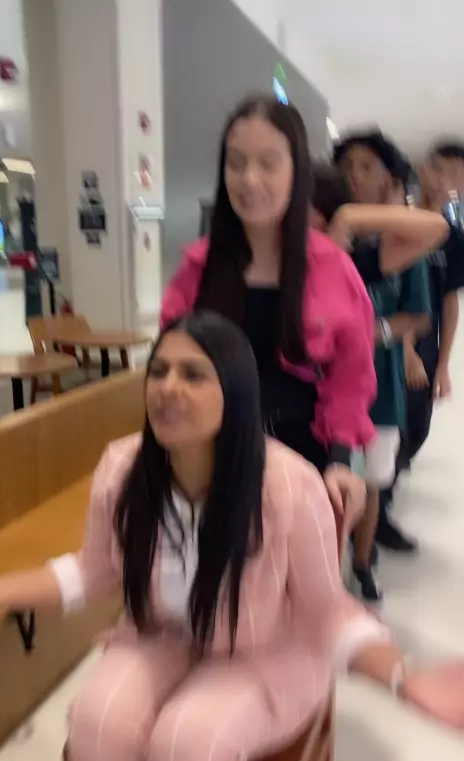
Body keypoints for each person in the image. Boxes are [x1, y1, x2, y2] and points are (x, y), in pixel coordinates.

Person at [0, 311, 462, 761]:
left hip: (265, 651)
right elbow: (93, 571)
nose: (168, 388)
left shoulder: (287, 485)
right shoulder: (123, 468)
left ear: (233, 392)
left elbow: (325, 610)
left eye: (193, 375)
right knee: (97, 724)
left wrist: (403, 676)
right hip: (162, 635)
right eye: (159, 371)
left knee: (188, 742)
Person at [161, 94, 377, 528]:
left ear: (297, 172)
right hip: (209, 461)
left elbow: (350, 379)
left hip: (302, 462)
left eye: (268, 163)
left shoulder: (333, 269)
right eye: (236, 163)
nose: (250, 179)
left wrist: (340, 461)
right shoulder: (197, 268)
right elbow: (170, 368)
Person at [333, 132, 448, 601]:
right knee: (329, 481)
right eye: (347, 167)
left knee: (374, 480)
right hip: (326, 393)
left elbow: (418, 315)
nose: (354, 176)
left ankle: (362, 563)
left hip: (380, 388)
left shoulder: (402, 246)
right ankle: (325, 570)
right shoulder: (327, 239)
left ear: (389, 180)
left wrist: (371, 333)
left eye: (366, 166)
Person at [377, 146, 464, 551]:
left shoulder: (452, 237)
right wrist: (407, 349)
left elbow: (449, 301)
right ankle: (376, 513)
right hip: (393, 341)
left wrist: (443, 363)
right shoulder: (400, 223)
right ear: (424, 170)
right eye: (441, 170)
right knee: (390, 427)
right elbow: (394, 291)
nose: (447, 181)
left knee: (417, 427)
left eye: (457, 175)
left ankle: (382, 494)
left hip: (427, 344)